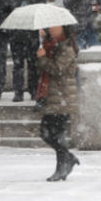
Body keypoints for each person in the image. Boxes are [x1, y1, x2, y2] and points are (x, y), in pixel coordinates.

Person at [37, 26, 80, 182]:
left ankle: (62, 166)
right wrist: (42, 45)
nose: (52, 29)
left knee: (55, 133)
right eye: (51, 27)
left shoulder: (67, 48)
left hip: (63, 97)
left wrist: (42, 58)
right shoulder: (52, 45)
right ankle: (67, 158)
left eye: (56, 27)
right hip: (53, 97)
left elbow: (57, 69)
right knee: (45, 132)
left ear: (64, 29)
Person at [10, 0, 46, 102]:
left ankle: (33, 90)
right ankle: (18, 92)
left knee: (33, 66)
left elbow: (43, 13)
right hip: (16, 37)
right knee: (18, 66)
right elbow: (5, 14)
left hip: (32, 36)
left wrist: (42, 27)